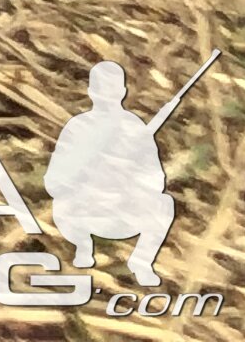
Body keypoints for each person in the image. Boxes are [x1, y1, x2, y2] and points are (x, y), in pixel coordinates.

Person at [46, 62, 177, 285]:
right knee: (62, 205)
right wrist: (84, 173)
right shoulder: (78, 127)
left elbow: (156, 179)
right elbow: (54, 180)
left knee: (164, 204)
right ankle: (82, 248)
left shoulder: (135, 128)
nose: (107, 97)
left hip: (123, 210)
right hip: (84, 209)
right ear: (91, 92)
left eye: (112, 90)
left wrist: (129, 178)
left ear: (122, 92)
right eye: (101, 90)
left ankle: (141, 262)